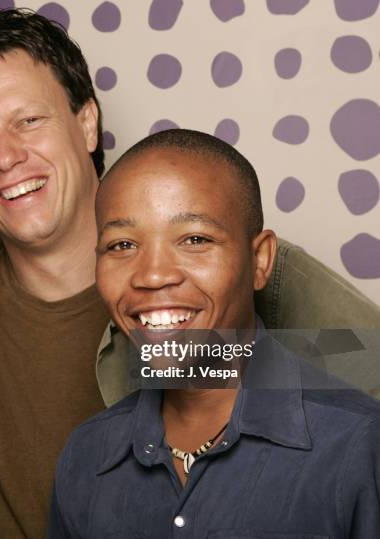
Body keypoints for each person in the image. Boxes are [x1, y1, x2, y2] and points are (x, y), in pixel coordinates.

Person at [0, 8, 380, 539]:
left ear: (86, 124)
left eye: (28, 121)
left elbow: (353, 401)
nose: (5, 157)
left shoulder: (236, 273)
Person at [48, 128, 380, 538]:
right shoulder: (85, 458)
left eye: (195, 239)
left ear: (259, 260)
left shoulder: (360, 444)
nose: (152, 275)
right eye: (121, 245)